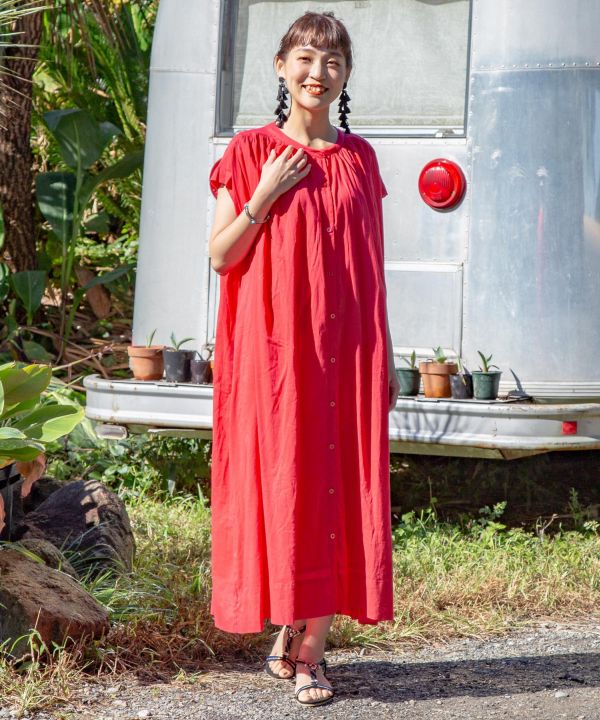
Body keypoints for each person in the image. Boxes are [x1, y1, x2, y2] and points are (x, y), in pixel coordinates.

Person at [208, 10, 400, 707]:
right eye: (306, 59)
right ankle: (290, 622)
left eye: (333, 61)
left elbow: (372, 269)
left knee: (338, 486)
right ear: (281, 67)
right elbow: (220, 256)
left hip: (347, 353)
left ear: (346, 75)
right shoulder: (250, 151)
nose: (319, 73)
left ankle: (311, 652)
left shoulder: (360, 160)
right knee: (288, 486)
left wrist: (385, 355)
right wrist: (265, 194)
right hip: (274, 356)